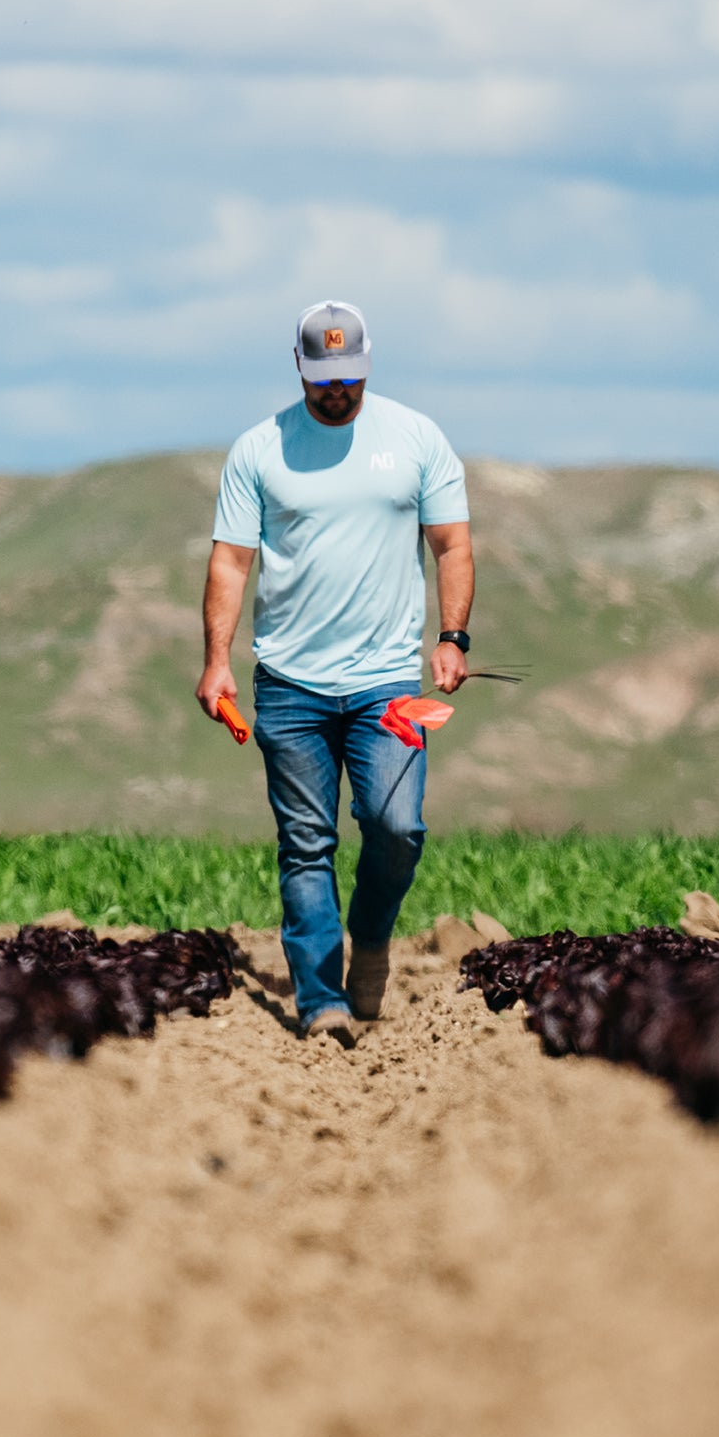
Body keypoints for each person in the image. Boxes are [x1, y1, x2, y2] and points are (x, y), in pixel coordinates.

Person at [198, 300, 473, 1043]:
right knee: (306, 844)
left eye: (348, 376)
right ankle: (320, 1001)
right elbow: (231, 560)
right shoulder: (260, 449)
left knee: (397, 827)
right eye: (323, 378)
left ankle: (372, 942)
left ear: (367, 364)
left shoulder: (416, 439)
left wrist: (452, 639)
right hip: (289, 683)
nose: (336, 391)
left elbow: (451, 543)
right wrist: (218, 661)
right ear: (299, 367)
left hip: (387, 684)